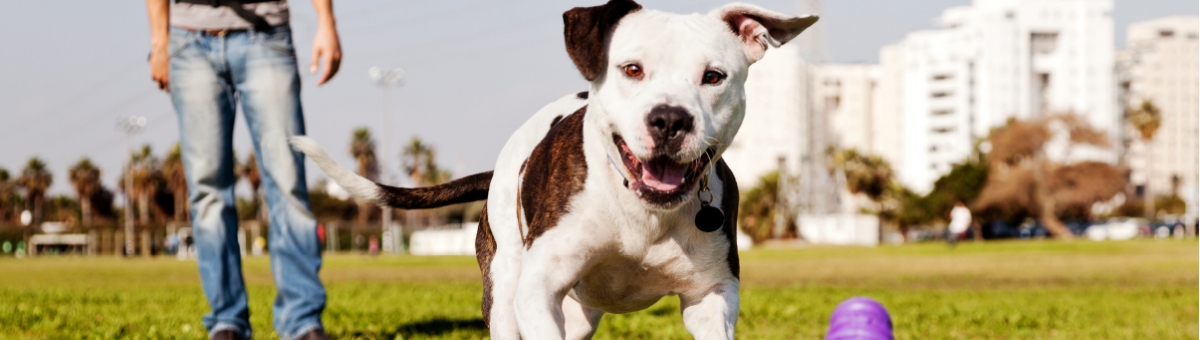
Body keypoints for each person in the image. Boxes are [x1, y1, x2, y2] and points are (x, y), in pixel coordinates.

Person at [145, 0, 342, 339]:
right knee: (208, 190)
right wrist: (160, 42)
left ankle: (302, 321)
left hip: (265, 33)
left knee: (287, 181)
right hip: (189, 39)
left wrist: (326, 22)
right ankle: (227, 320)